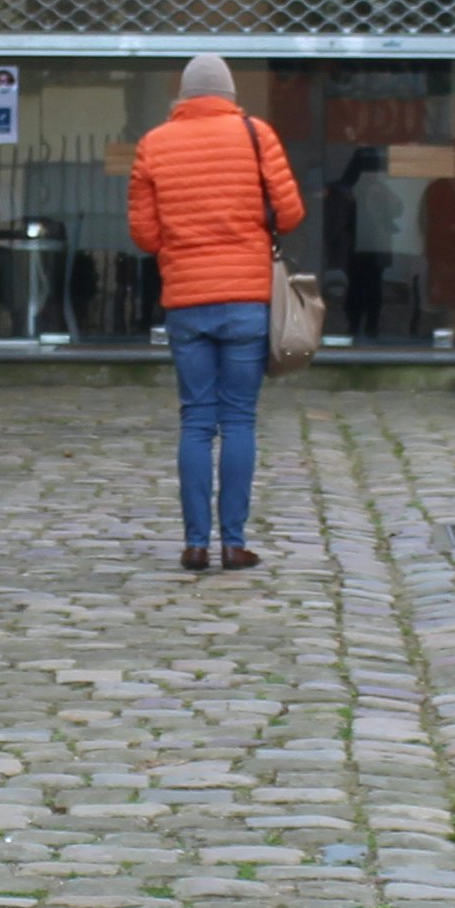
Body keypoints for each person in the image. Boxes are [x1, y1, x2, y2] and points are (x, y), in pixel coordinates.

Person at [123, 52, 304, 571]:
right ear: (228, 95)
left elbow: (145, 235)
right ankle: (234, 542)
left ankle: (195, 543)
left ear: (182, 97)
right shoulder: (256, 135)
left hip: (186, 302)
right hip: (246, 298)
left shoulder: (153, 144)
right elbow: (290, 214)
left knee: (196, 421)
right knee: (239, 419)